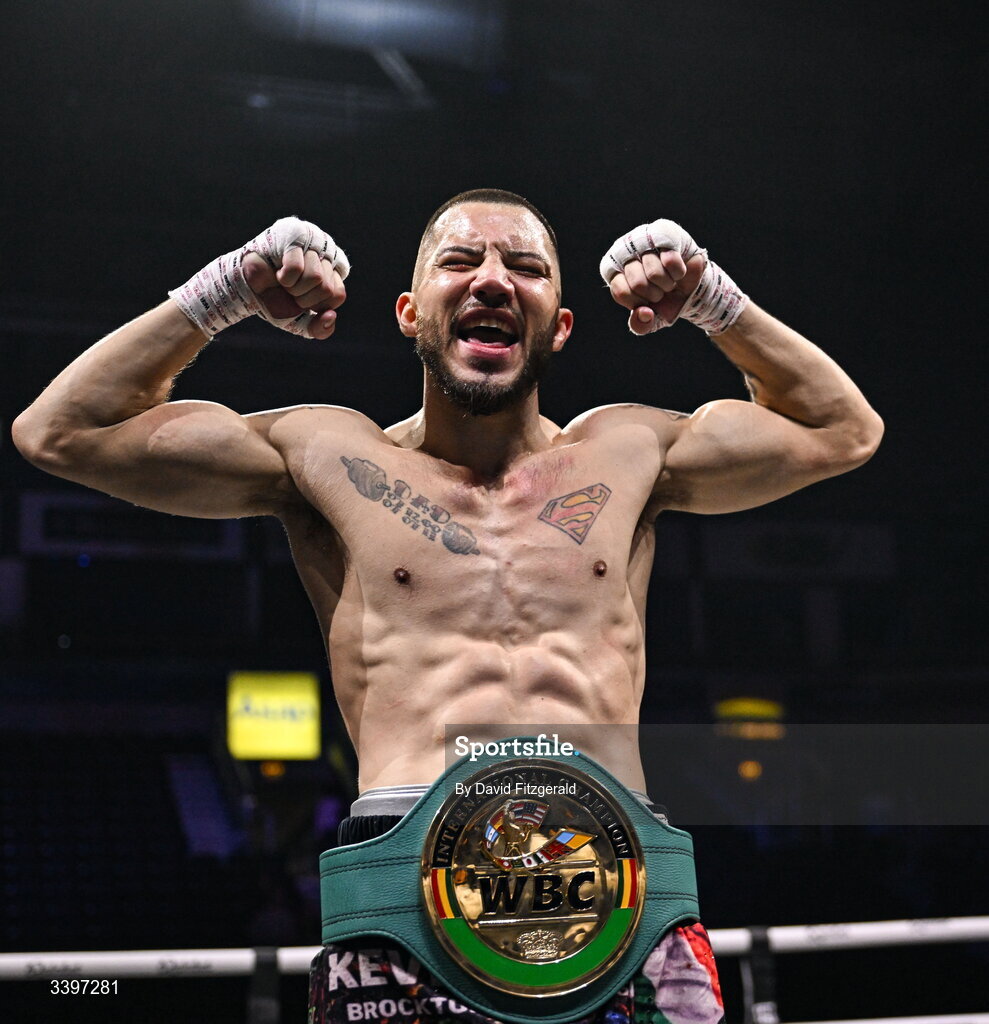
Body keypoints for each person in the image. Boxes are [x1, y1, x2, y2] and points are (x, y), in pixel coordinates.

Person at [12, 190, 883, 1023]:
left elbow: (843, 431)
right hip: (405, 877)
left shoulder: (629, 450)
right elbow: (60, 434)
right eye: (459, 260)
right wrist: (224, 291)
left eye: (528, 268)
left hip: (619, 875)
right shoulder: (325, 455)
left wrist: (711, 300)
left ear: (562, 325)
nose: (493, 279)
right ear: (409, 313)